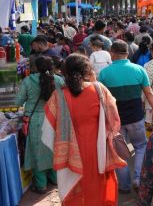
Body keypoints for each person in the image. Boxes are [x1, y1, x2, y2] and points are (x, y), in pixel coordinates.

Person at [41, 54, 125, 205]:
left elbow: (48, 128)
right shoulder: (100, 89)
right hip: (97, 151)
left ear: (65, 71)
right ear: (87, 70)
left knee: (74, 192)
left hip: (70, 154)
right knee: (98, 190)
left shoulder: (58, 95)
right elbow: (114, 121)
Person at [99, 40, 153, 194]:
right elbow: (148, 93)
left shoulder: (104, 73)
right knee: (140, 146)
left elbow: (100, 99)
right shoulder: (139, 70)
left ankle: (124, 185)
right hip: (136, 117)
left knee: (120, 152)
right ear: (127, 53)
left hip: (115, 120)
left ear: (112, 53)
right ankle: (138, 179)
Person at [15, 56, 64, 194]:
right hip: (54, 119)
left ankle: (41, 184)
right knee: (53, 149)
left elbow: (18, 101)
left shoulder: (28, 81)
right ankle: (55, 179)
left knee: (38, 151)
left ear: (34, 67)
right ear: (51, 66)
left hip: (36, 120)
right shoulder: (59, 80)